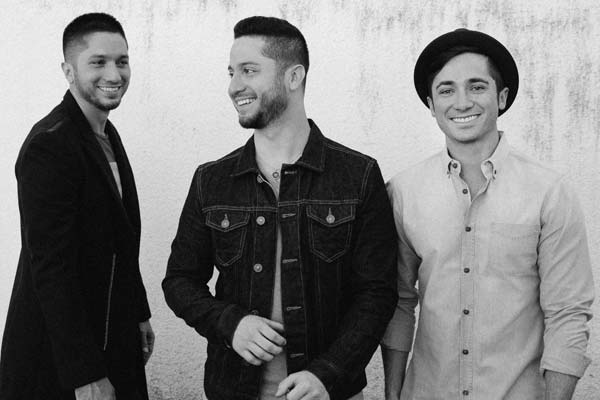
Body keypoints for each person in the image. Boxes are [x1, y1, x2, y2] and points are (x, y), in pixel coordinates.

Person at [163, 15, 397, 400]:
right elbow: (179, 281)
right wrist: (230, 324)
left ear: (294, 77)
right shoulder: (212, 180)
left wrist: (328, 373)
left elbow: (377, 293)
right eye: (231, 73)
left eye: (249, 70)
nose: (234, 86)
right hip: (234, 391)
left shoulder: (358, 175)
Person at [381, 28, 594, 400]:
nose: (462, 102)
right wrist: (392, 392)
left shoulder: (549, 191)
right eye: (446, 90)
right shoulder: (403, 191)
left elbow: (567, 313)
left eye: (477, 87)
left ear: (502, 97)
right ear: (431, 104)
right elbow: (398, 301)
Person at [0, 13, 154, 400]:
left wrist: (138, 312)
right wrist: (85, 374)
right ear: (68, 71)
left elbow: (120, 240)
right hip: (59, 357)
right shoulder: (50, 145)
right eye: (98, 62)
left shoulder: (105, 133)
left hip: (113, 331)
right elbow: (50, 267)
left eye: (122, 61)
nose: (114, 74)